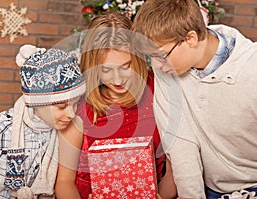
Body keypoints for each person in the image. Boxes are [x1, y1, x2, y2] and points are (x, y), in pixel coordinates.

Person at [131, 0, 257, 198]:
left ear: (191, 38)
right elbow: (182, 148)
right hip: (210, 191)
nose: (155, 65)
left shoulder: (252, 70)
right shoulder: (166, 71)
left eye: (161, 55)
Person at [0, 45, 85, 198]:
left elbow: (65, 183)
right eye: (61, 106)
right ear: (36, 101)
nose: (71, 114)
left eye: (76, 104)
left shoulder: (67, 131)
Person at [75, 11, 176, 199]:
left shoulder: (158, 90)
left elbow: (173, 172)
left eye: (125, 66)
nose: (117, 79)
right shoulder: (81, 101)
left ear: (137, 58)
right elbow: (64, 179)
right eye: (105, 69)